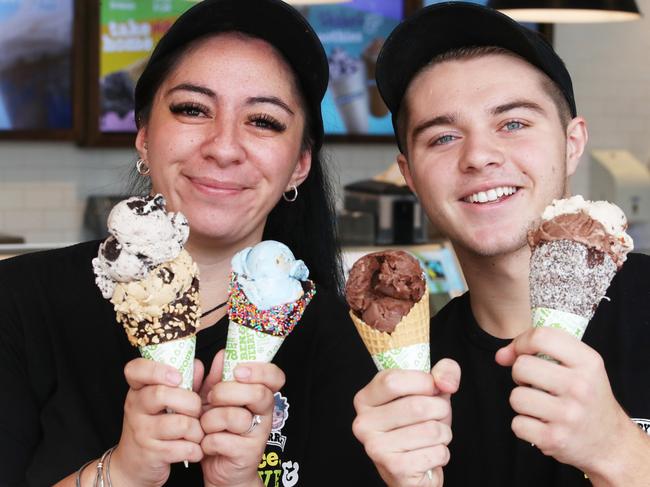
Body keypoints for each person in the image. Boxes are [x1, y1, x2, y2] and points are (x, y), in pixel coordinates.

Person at [0, 0, 383, 486]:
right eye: (191, 109)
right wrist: (123, 473)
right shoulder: (19, 301)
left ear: (300, 165)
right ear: (143, 136)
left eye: (264, 120)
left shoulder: (344, 344)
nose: (223, 147)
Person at [352, 3, 650, 486]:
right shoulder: (398, 389)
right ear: (409, 175)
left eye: (513, 123)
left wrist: (620, 451)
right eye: (443, 137)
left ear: (572, 143)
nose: (479, 156)